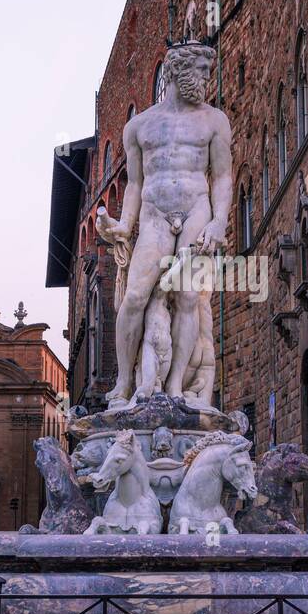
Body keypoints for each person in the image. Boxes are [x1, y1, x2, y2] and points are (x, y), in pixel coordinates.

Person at [96, 42, 233, 405]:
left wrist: (219, 220)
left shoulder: (215, 120)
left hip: (196, 211)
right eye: (202, 71)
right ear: (177, 71)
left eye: (208, 71)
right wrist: (125, 224)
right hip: (155, 215)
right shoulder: (139, 127)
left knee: (188, 296)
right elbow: (136, 184)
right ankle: (124, 384)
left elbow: (221, 177)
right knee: (135, 296)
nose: (207, 78)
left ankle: (174, 386)